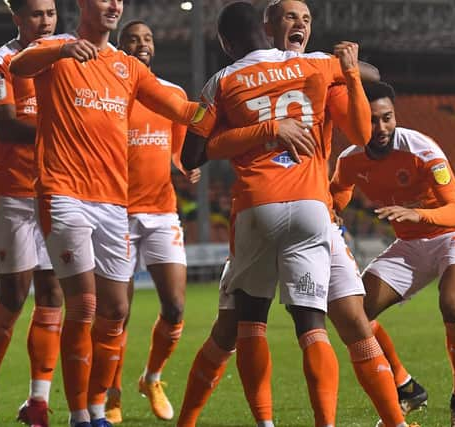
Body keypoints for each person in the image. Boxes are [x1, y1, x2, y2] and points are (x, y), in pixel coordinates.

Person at [177, 2, 422, 427]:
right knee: (306, 327)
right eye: (291, 17)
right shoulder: (318, 68)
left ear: (224, 41)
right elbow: (367, 121)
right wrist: (346, 67)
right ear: (266, 26)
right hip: (311, 211)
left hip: (264, 209)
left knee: (264, 321)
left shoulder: (228, 79)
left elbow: (193, 153)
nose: (301, 25)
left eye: (307, 19)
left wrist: (345, 70)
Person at [9, 0, 202, 425]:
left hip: (114, 203)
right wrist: (60, 51)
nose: (114, 3)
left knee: (115, 311)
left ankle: (99, 405)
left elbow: (180, 110)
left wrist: (226, 110)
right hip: (64, 194)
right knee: (84, 306)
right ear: (83, 4)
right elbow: (19, 65)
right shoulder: (56, 47)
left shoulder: (127, 68)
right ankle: (82, 415)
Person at [330, 81, 455, 427]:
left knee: (453, 306)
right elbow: (338, 190)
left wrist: (419, 215)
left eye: (387, 118)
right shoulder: (350, 159)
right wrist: (332, 210)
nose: (381, 128)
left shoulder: (421, 149)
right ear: (357, 119)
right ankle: (406, 386)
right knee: (355, 313)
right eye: (372, 120)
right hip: (411, 245)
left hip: (453, 233)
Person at [0, 2, 63, 426]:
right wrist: (66, 131)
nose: (45, 21)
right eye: (36, 14)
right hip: (13, 191)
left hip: (58, 192)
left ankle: (38, 403)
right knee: (12, 297)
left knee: (53, 296)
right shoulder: (0, 62)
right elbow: (6, 127)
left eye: (51, 12)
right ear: (18, 19)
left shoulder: (65, 56)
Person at [103, 20, 201, 424]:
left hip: (162, 212)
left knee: (176, 307)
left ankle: (152, 378)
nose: (142, 45)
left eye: (147, 39)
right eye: (133, 40)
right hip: (116, 214)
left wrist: (186, 167)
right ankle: (112, 395)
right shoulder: (107, 93)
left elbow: (179, 148)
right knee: (117, 313)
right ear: (121, 47)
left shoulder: (171, 94)